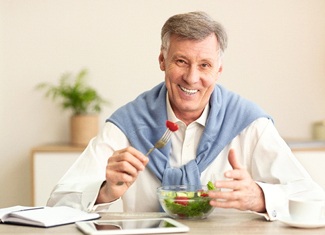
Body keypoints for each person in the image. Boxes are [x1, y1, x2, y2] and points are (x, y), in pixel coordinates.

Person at [47, 11, 325, 221]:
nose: (192, 78)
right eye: (181, 61)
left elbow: (315, 201)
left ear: (218, 70)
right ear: (162, 61)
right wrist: (104, 191)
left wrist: (260, 198)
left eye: (204, 65)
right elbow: (56, 205)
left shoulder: (250, 124)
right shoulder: (125, 126)